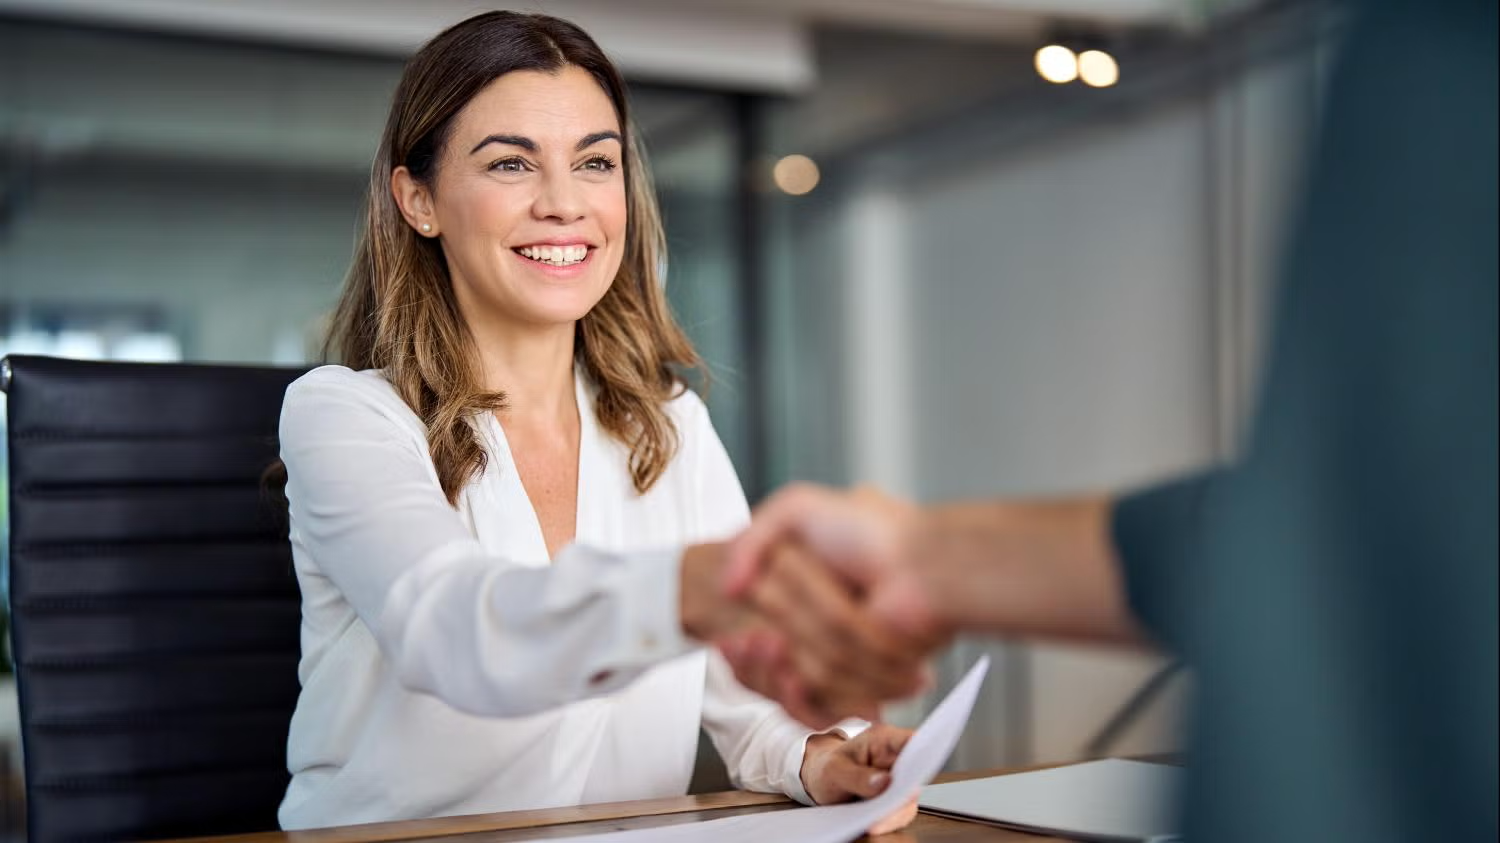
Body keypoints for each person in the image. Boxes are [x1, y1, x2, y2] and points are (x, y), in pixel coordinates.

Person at [719, 0, 1497, 840]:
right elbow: (1356, 519)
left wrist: (921, 561)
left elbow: (1356, 543)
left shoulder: (1441, 53)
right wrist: (923, 555)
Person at [274, 11, 922, 831]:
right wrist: (691, 588)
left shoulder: (668, 425)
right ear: (419, 199)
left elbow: (743, 686)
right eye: (511, 162)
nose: (563, 203)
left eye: (594, 162)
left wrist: (821, 753)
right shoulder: (346, 414)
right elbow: (454, 633)